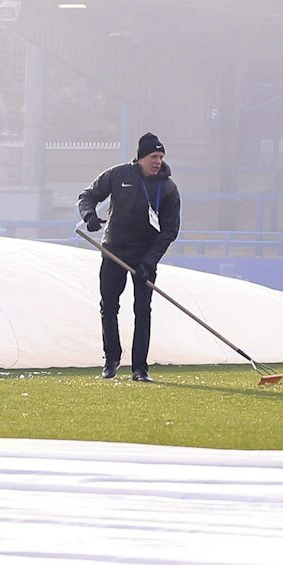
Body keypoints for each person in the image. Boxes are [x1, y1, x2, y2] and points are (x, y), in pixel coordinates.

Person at [77, 132, 181, 382]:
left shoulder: (168, 188)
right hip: (114, 251)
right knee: (109, 307)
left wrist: (149, 261)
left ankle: (140, 368)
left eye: (161, 156)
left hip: (144, 257)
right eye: (153, 156)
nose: (158, 161)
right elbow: (87, 196)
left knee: (142, 310)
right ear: (141, 157)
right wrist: (89, 217)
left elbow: (169, 230)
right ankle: (111, 359)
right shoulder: (118, 174)